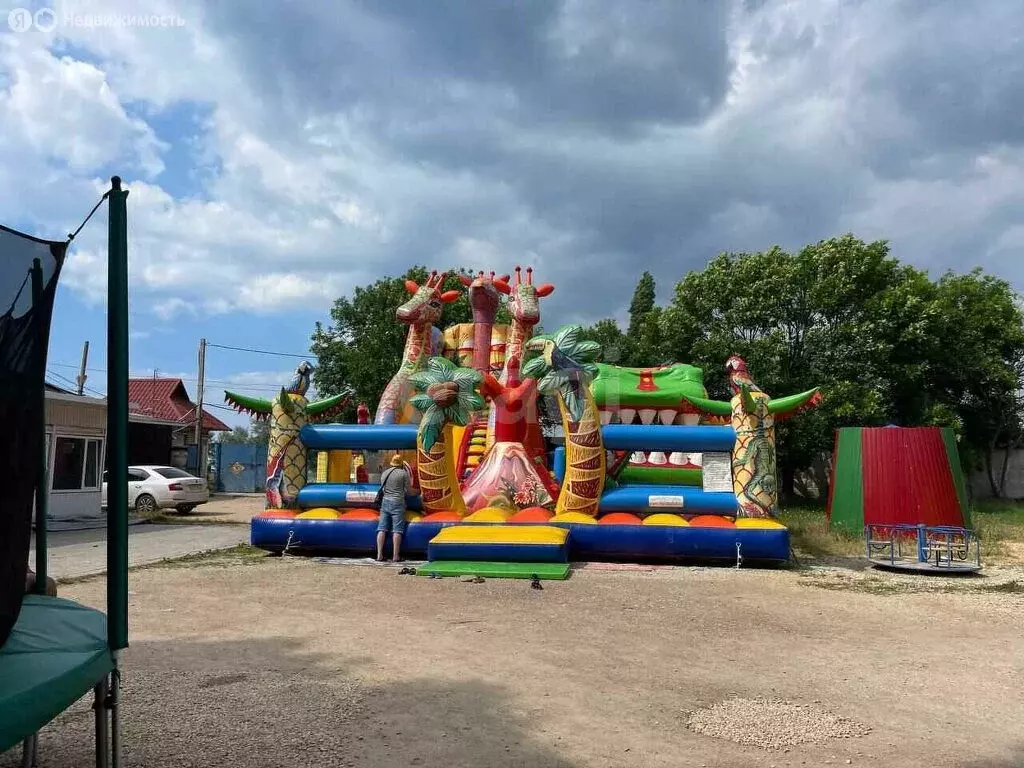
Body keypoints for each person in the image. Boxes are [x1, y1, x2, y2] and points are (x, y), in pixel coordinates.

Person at [376, 454, 419, 562]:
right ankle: (395, 556)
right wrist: (419, 491)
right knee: (397, 530)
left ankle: (379, 555)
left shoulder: (385, 473)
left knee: (382, 529)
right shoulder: (403, 473)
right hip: (397, 503)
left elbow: (384, 489)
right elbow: (409, 491)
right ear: (401, 464)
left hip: (385, 502)